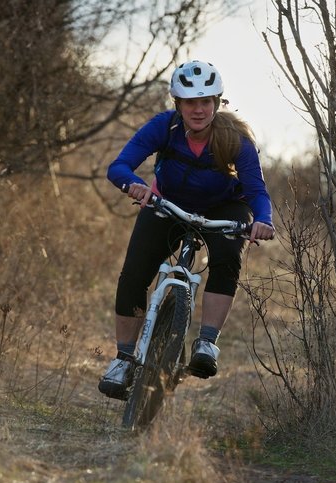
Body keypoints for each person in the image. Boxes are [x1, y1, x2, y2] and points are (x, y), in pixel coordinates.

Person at [98, 60, 275, 400]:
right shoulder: (164, 127)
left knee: (226, 258)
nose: (198, 109)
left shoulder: (236, 139)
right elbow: (119, 166)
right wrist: (134, 185)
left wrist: (263, 220)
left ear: (216, 102)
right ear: (177, 104)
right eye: (190, 102)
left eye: (205, 101)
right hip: (168, 202)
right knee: (134, 274)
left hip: (223, 209)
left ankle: (207, 343)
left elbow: (256, 192)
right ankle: (123, 360)